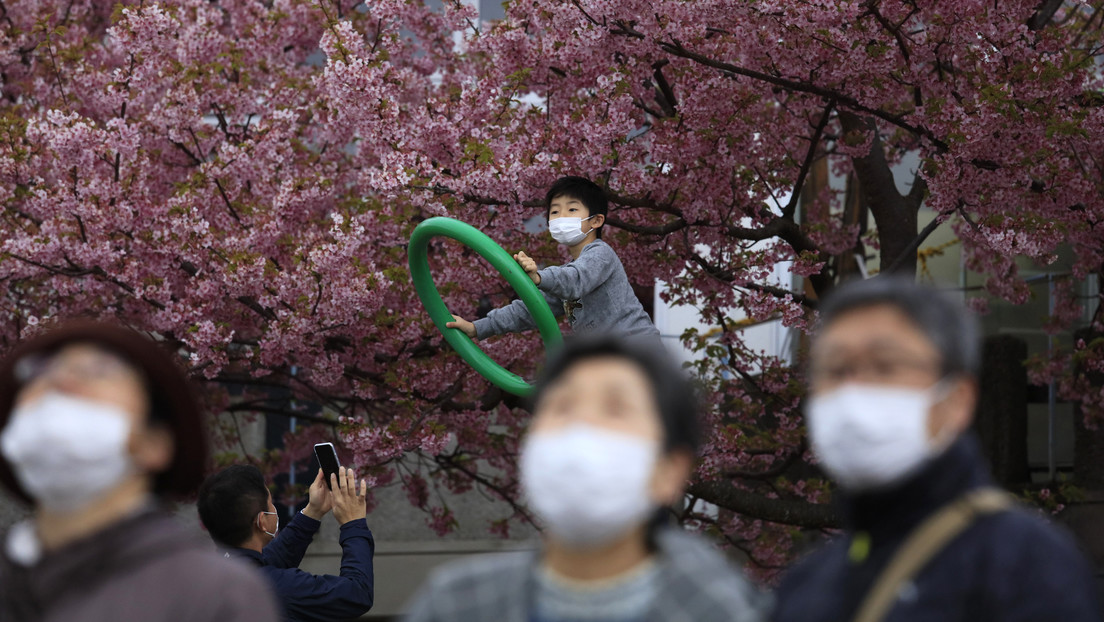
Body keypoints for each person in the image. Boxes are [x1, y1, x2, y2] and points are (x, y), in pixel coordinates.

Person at [773, 277, 1101, 622]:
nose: (853, 391)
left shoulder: (1024, 566)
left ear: (957, 399)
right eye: (835, 370)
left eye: (885, 365)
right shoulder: (805, 583)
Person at [404, 336, 767, 622]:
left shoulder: (723, 610)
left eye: (615, 408)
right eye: (562, 406)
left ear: (670, 469)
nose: (581, 426)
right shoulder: (456, 604)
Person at [0, 321, 279, 621]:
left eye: (97, 372)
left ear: (154, 443)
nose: (62, 382)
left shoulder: (215, 595)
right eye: (40, 373)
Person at [447, 176, 661, 342]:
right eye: (555, 212)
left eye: (572, 209)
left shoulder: (600, 254)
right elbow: (531, 308)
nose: (561, 218)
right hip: (605, 358)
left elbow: (576, 280)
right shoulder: (565, 279)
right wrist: (478, 327)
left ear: (596, 220)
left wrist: (539, 277)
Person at [197, 463, 374, 622]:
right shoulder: (276, 590)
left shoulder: (202, 578)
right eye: (270, 503)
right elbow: (357, 593)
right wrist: (353, 524)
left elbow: (268, 561)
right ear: (262, 521)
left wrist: (313, 512)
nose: (274, 508)